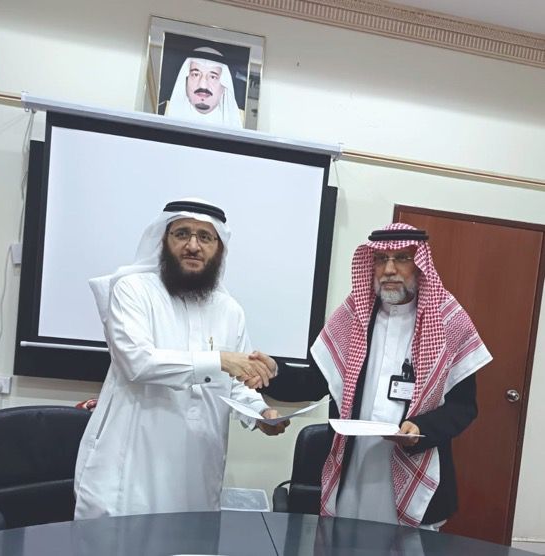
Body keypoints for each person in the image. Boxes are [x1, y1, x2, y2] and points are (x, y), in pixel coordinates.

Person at [260, 223, 492, 529]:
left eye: (402, 258)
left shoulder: (449, 323)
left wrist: (422, 428)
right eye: (381, 259)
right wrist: (273, 372)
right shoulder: (351, 317)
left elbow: (463, 407)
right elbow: (314, 383)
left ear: (420, 264)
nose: (389, 269)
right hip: (354, 471)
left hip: (415, 469)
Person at [74, 198, 286, 519]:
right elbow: (137, 363)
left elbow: (235, 383)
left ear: (219, 248)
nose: (193, 246)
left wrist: (260, 413)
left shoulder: (229, 311)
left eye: (205, 237)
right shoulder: (133, 290)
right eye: (182, 234)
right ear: (163, 240)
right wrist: (219, 360)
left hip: (195, 473)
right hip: (130, 471)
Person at [165, 46, 243, 128]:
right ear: (185, 81)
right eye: (196, 75)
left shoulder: (240, 120)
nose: (203, 85)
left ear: (224, 86)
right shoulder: (163, 110)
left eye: (212, 77)